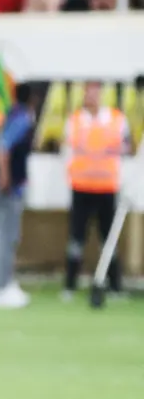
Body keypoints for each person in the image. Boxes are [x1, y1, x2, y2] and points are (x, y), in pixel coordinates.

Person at [62, 80, 132, 300]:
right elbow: (67, 150)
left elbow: (127, 147)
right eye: (88, 93)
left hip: (107, 186)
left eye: (95, 92)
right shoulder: (75, 120)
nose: (92, 97)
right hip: (81, 186)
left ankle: (114, 285)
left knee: (108, 238)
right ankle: (70, 285)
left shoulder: (116, 120)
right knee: (76, 237)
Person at [0, 82, 36, 309]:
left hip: (0, 183)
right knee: (7, 236)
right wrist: (4, 177)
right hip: (9, 186)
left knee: (0, 235)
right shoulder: (22, 119)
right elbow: (3, 148)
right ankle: (3, 286)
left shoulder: (7, 115)